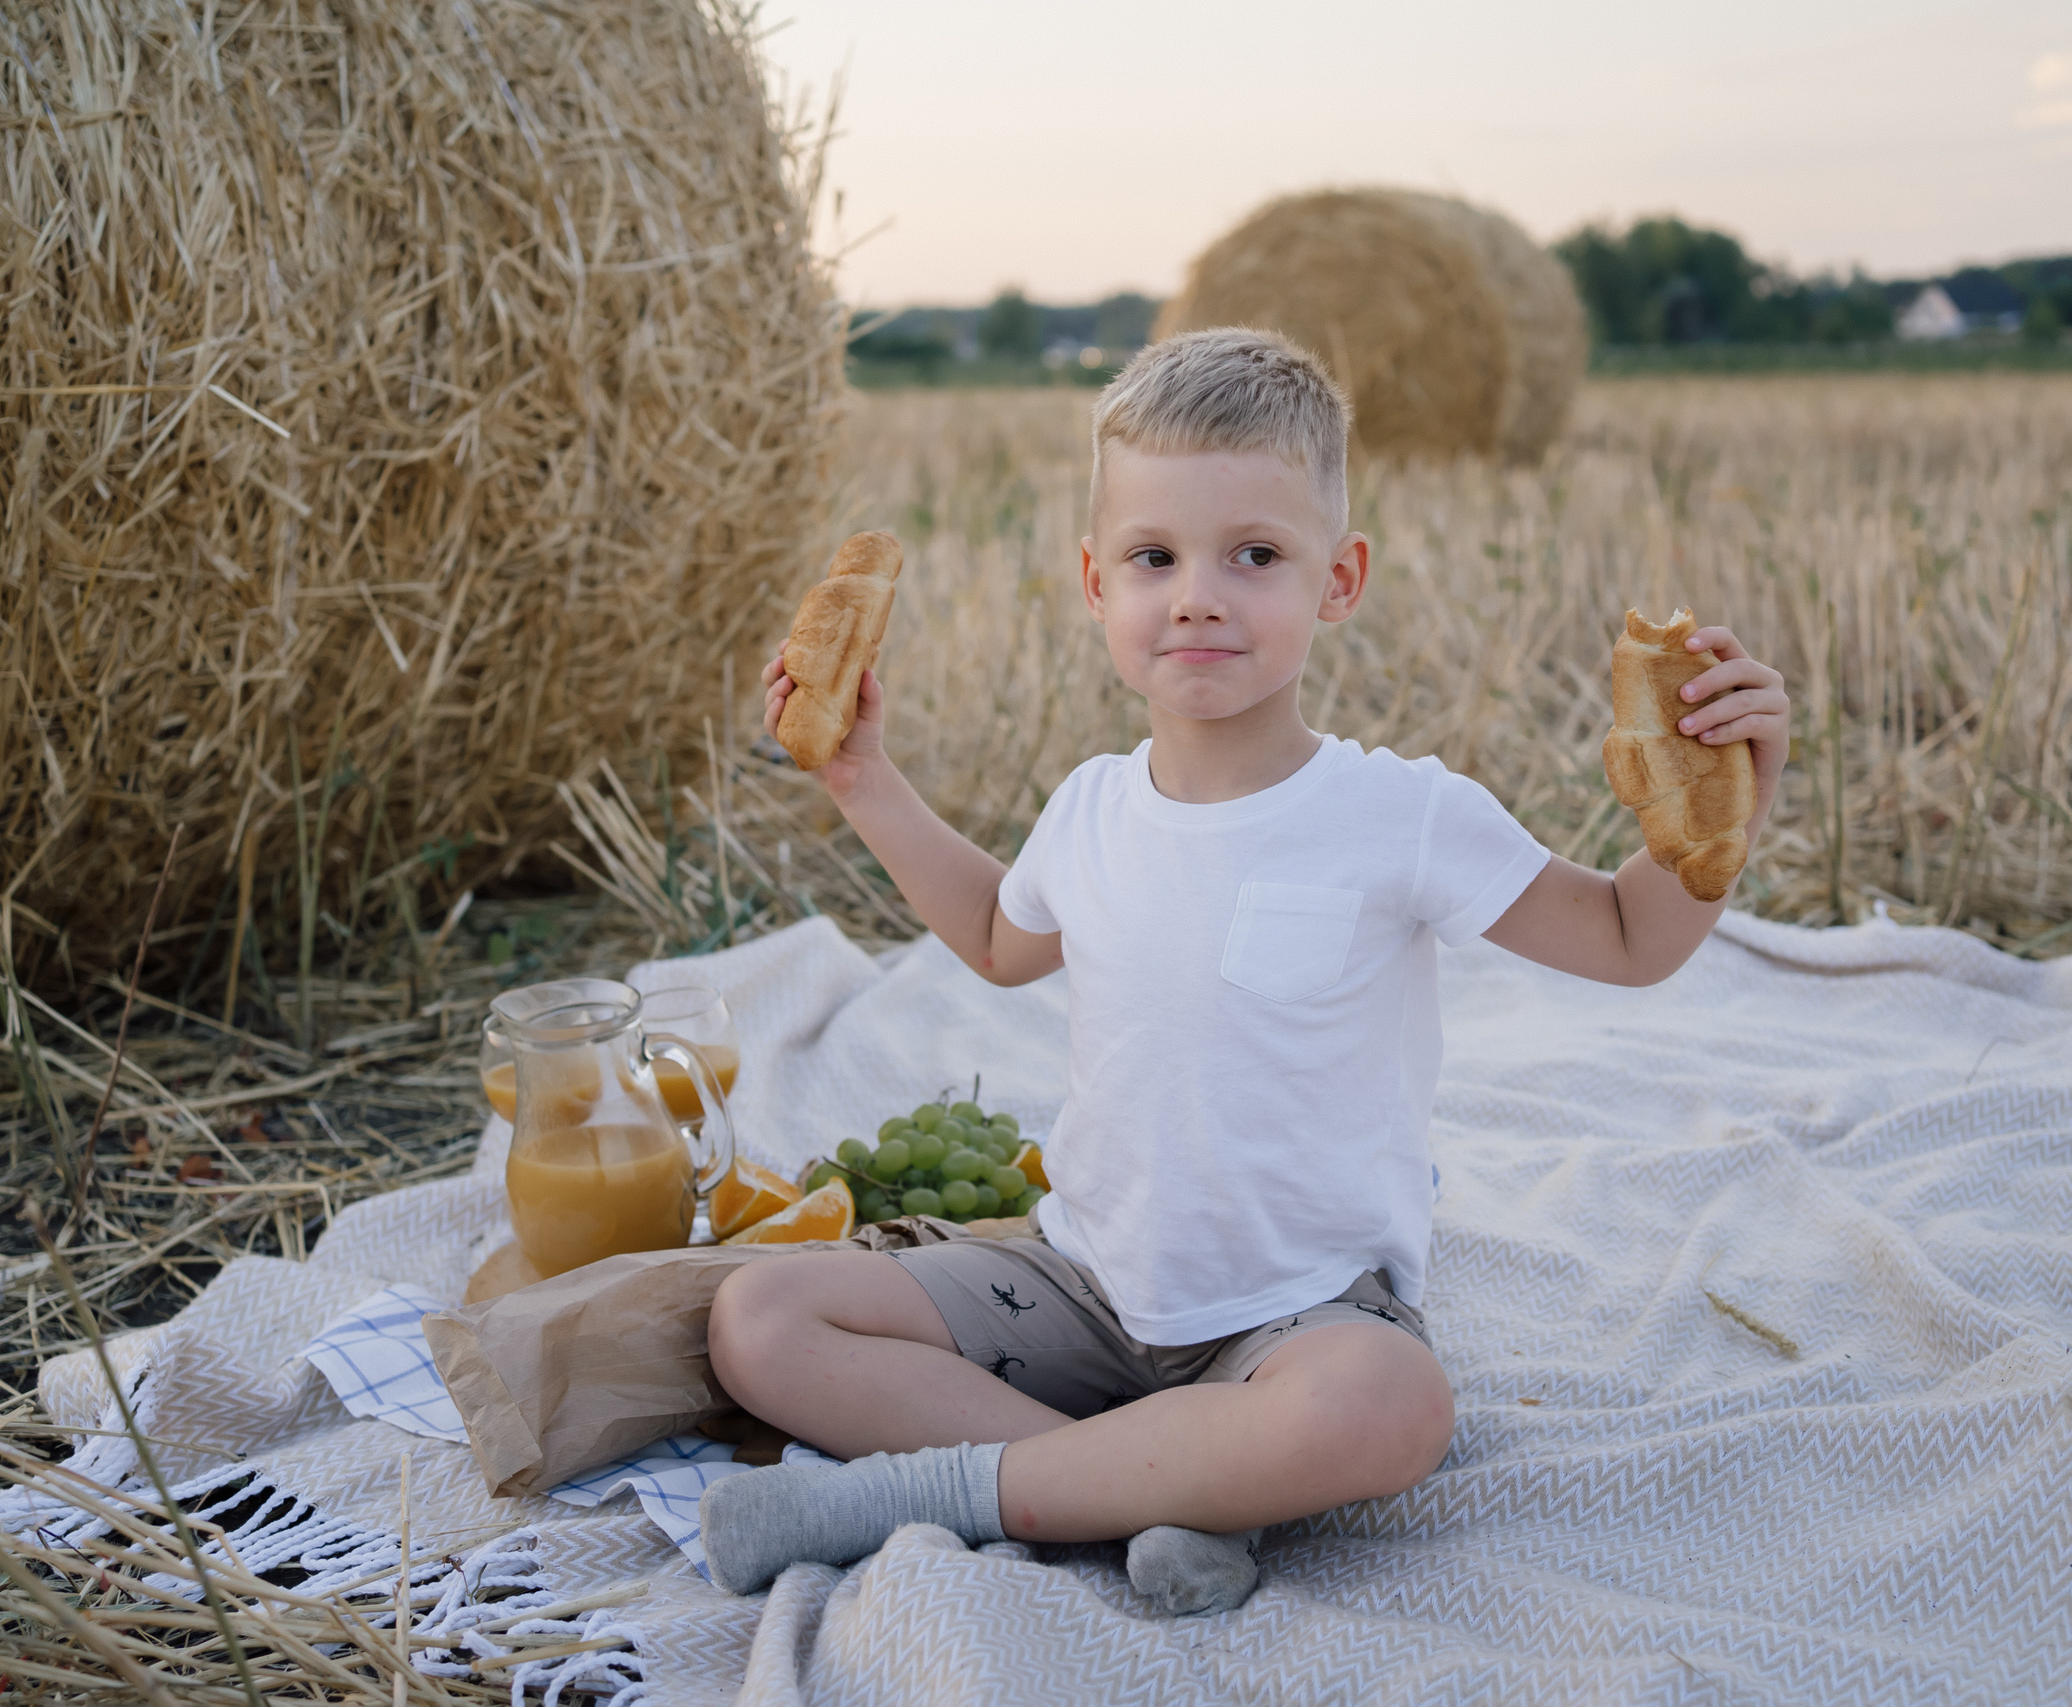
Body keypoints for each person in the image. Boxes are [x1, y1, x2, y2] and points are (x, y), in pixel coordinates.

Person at [699, 327, 1790, 1612]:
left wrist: (1728, 803)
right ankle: (1165, 1487)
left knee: (1391, 1406)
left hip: (1296, 1321)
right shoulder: (1092, 808)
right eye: (1154, 558)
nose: (1198, 597)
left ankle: (929, 1495)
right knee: (759, 1319)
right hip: (1083, 1289)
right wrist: (861, 779)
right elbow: (997, 939)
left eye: (1255, 557)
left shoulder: (1399, 813)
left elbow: (1625, 939)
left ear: (1340, 579)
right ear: (1094, 582)